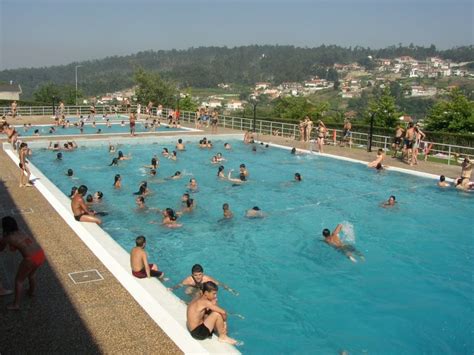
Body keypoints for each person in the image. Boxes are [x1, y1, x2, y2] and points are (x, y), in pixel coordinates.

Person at [0, 216, 46, 310]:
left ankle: (16, 304)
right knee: (31, 275)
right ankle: (31, 292)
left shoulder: (7, 237)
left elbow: (2, 249)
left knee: (19, 280)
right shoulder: (21, 231)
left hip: (30, 259)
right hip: (40, 254)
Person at [170, 264, 238, 296]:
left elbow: (219, 284)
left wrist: (230, 290)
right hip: (193, 286)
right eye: (195, 275)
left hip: (202, 288)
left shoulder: (206, 279)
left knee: (199, 294)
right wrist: (171, 289)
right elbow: (179, 285)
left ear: (203, 274)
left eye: (200, 274)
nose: (198, 277)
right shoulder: (189, 280)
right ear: (192, 275)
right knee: (187, 292)